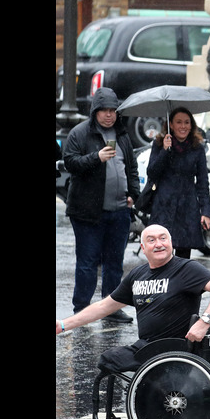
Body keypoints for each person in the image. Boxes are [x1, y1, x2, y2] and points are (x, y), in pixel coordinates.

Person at [56, 224, 210, 374]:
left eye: (163, 238)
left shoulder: (186, 269)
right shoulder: (137, 275)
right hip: (147, 348)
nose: (159, 244)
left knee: (112, 361)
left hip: (176, 348)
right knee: (107, 360)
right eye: (152, 240)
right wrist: (63, 325)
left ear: (171, 242)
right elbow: (104, 307)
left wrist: (204, 322)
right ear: (143, 246)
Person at [63, 87, 139, 323]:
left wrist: (133, 194)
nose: (109, 115)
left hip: (119, 211)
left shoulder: (122, 135)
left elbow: (132, 168)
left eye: (113, 111)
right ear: (95, 111)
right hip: (88, 212)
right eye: (104, 110)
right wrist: (96, 157)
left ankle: (111, 308)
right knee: (87, 263)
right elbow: (70, 163)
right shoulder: (80, 133)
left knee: (114, 263)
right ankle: (82, 310)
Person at [146, 107, 210, 259]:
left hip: (187, 206)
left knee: (183, 258)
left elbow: (203, 182)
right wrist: (164, 150)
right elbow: (152, 173)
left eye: (187, 122)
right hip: (164, 205)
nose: (183, 126)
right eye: (179, 122)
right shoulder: (159, 144)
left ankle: (180, 284)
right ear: (171, 125)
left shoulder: (197, 148)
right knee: (161, 253)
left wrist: (206, 212)